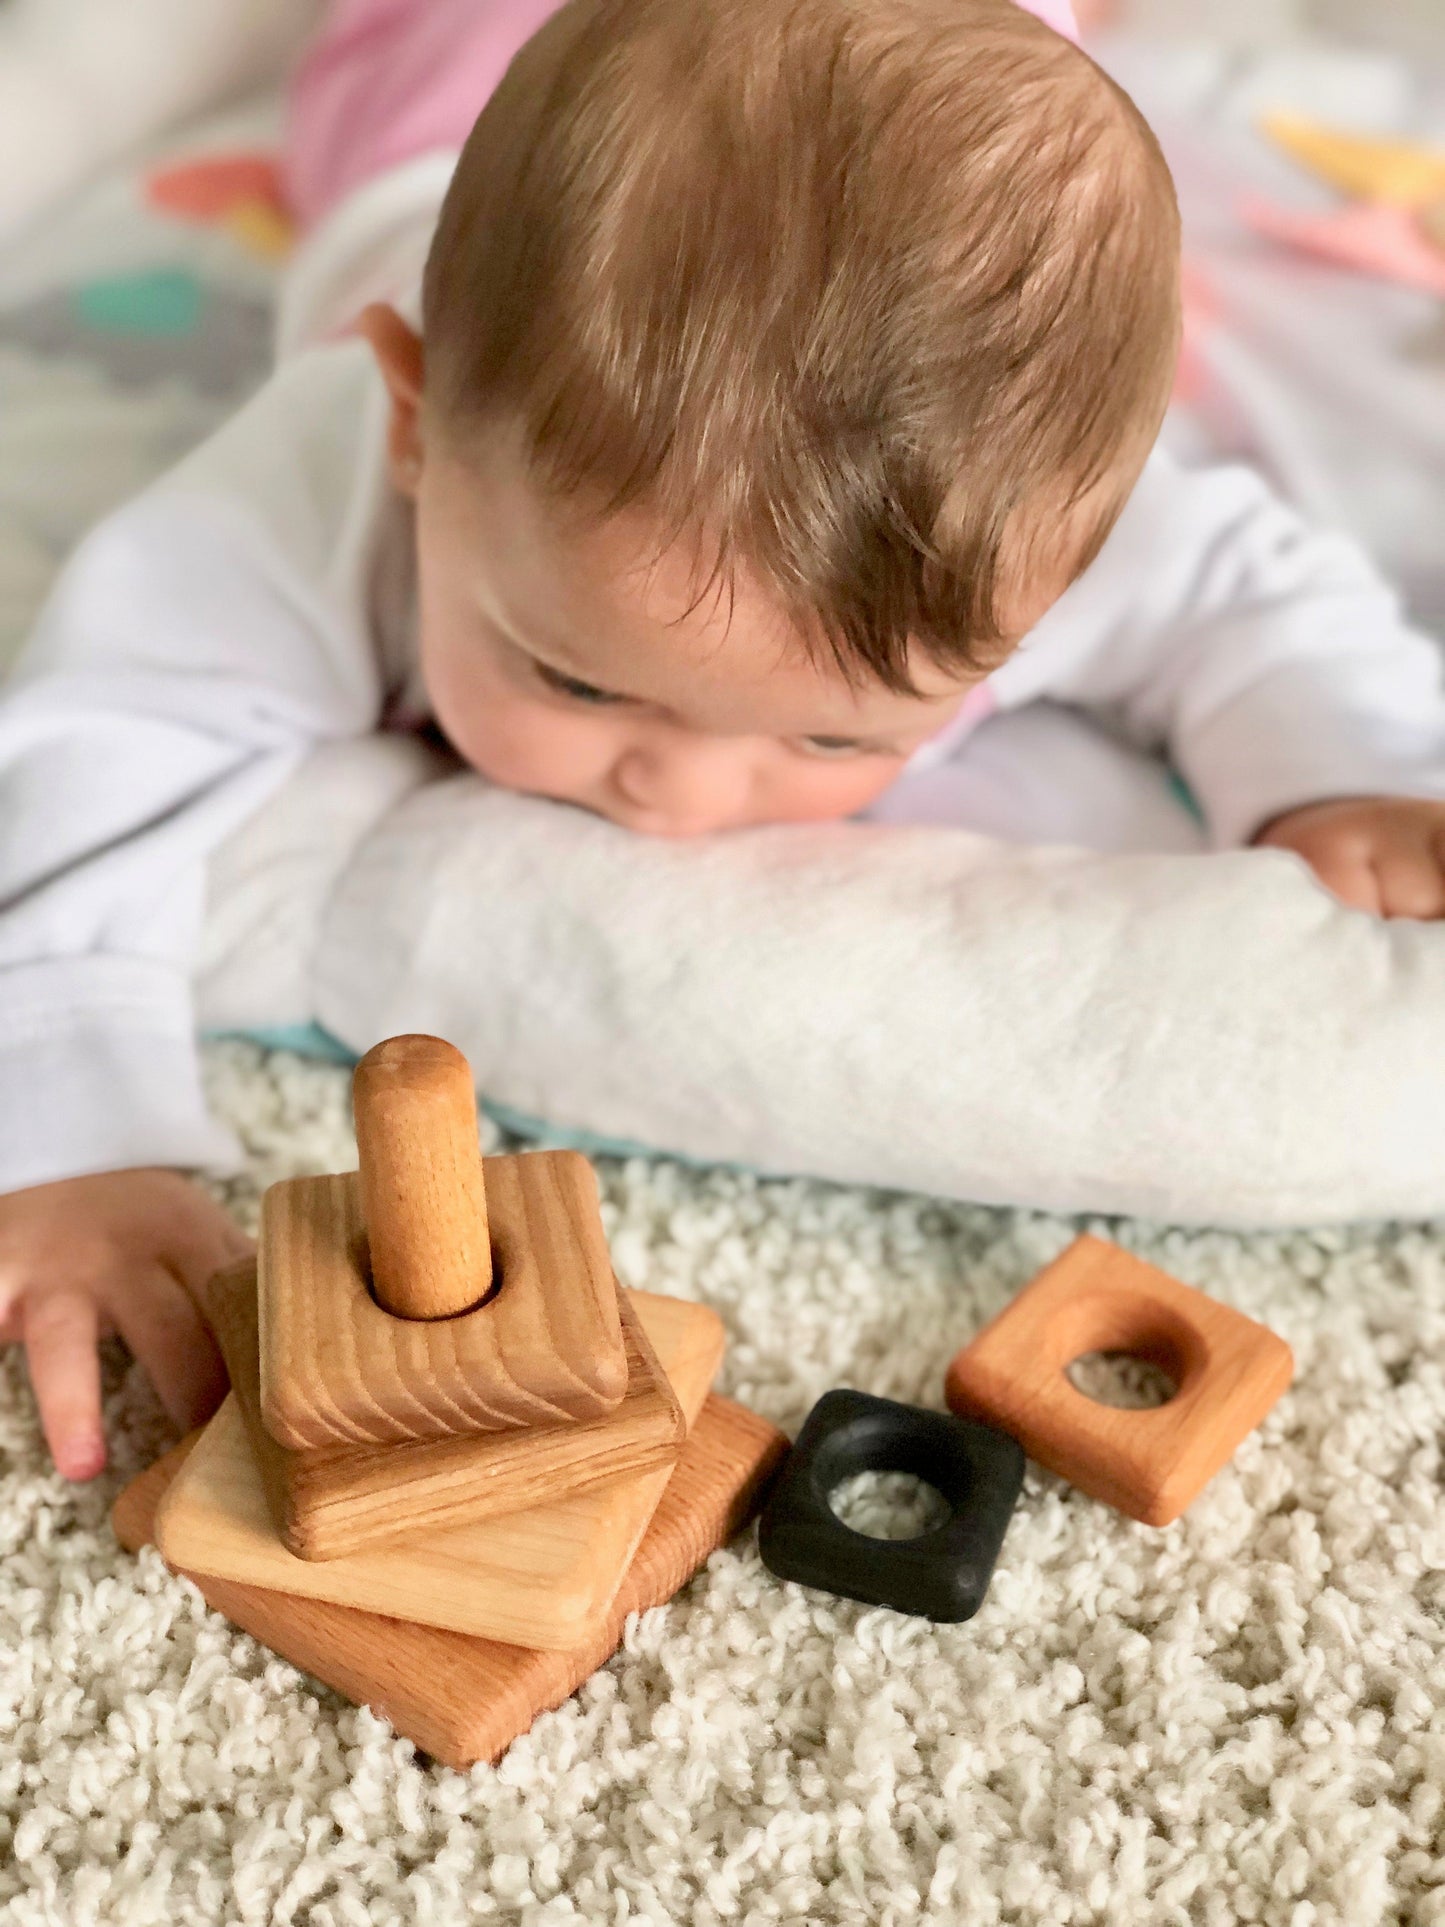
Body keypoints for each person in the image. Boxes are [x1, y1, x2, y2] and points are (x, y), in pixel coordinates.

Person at [1, 0, 1442, 1481]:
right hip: (437, 80)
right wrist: (68, 1140)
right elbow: (102, 725)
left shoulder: (1023, 528)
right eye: (575, 680)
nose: (678, 793)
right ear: (417, 422)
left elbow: (1246, 595)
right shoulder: (337, 470)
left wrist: (1345, 769)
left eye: (827, 734)